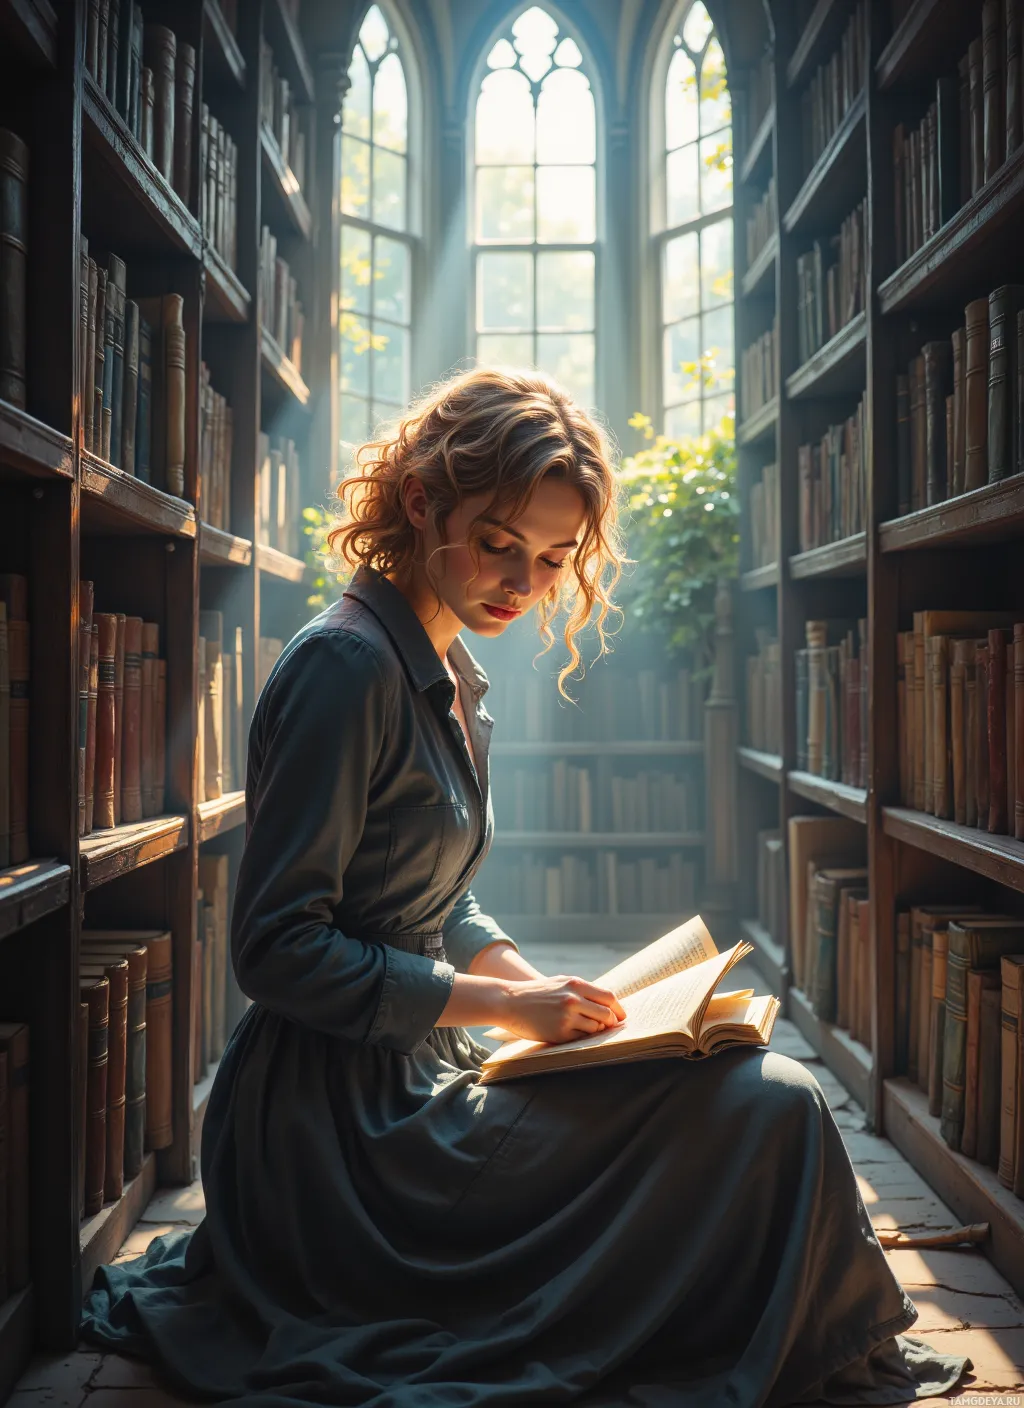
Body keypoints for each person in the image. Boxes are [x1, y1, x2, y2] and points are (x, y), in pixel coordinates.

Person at [81, 367, 970, 1407]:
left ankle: (781, 1328)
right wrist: (509, 1008)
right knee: (766, 1106)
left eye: (552, 560)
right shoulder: (345, 668)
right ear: (420, 501)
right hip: (335, 1136)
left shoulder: (450, 668)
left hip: (414, 1073)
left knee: (758, 1096)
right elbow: (276, 948)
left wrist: (538, 990)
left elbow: (433, 898)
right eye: (500, 542)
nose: (523, 581)